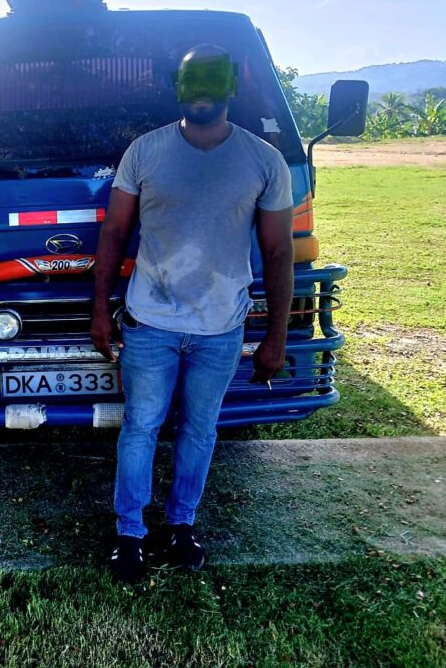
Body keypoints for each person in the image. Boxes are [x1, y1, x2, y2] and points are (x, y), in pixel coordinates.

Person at [91, 45, 294, 583]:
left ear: (231, 86)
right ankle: (130, 534)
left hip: (221, 329)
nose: (201, 89)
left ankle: (182, 525)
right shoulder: (145, 152)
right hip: (150, 324)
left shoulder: (264, 160)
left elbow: (278, 251)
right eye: (190, 78)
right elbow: (113, 233)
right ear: (176, 85)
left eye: (211, 78)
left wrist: (276, 335)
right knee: (140, 428)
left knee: (201, 430)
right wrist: (100, 310)